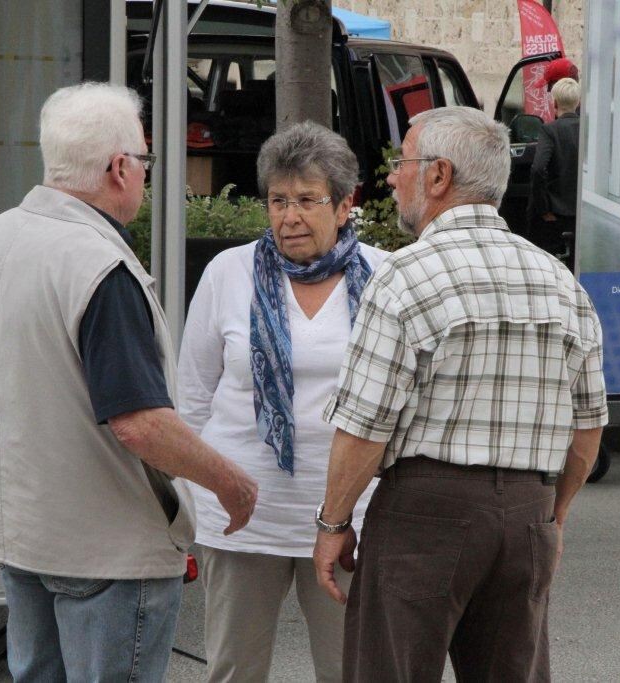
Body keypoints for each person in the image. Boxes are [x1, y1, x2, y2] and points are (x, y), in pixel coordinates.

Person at [0, 82, 258, 682]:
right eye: (143, 160)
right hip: (108, 548)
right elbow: (139, 423)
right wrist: (231, 483)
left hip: (21, 534)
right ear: (119, 168)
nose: (144, 173)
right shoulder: (100, 264)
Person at [313, 106, 608, 681]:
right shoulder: (560, 281)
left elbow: (364, 428)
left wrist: (332, 524)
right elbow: (588, 427)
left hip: (424, 513)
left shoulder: (404, 276)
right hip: (526, 513)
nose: (393, 177)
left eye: (402, 163)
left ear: (439, 175)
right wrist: (554, 517)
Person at [177, 121, 387, 682]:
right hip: (244, 516)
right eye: (277, 200)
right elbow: (193, 397)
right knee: (234, 671)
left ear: (345, 205)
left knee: (351, 670)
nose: (288, 216)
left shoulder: (387, 277)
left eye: (306, 200)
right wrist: (193, 499)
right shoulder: (229, 273)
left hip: (352, 517)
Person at [527, 77, 583, 261]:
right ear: (578, 102)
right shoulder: (587, 129)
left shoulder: (549, 130)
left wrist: (543, 209)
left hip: (555, 214)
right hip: (582, 212)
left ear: (555, 103)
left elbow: (537, 169)